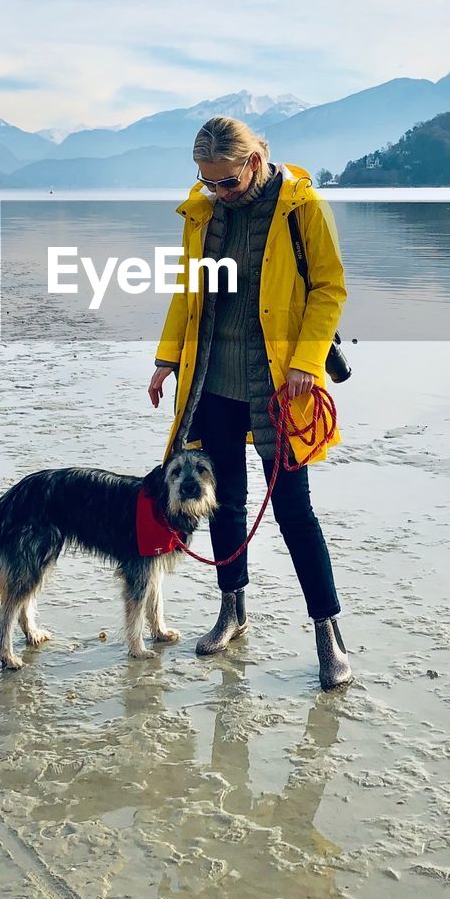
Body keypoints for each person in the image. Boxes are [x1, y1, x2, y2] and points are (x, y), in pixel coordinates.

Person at [147, 115, 353, 690]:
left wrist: (308, 363)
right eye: (206, 181)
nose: (217, 191)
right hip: (212, 378)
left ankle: (328, 634)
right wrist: (167, 358)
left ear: (254, 163)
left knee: (293, 510)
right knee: (225, 504)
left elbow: (330, 288)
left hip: (281, 383)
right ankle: (232, 611)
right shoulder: (203, 212)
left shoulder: (301, 208)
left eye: (226, 182)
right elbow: (187, 292)